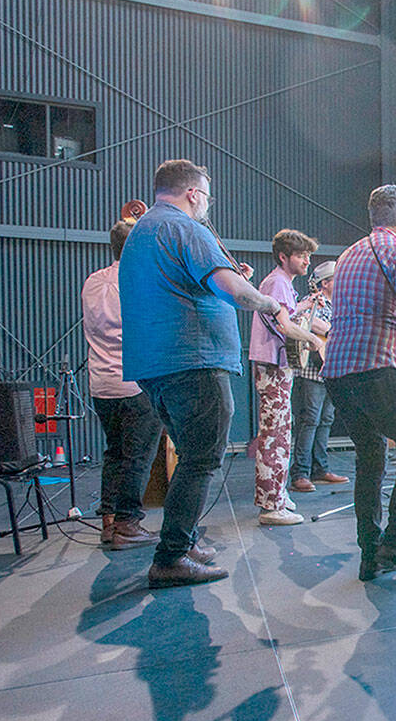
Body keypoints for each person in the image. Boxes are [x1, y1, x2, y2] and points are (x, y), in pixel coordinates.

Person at [121, 159, 297, 588]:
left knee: (190, 455)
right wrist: (273, 305)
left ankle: (184, 536)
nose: (206, 207)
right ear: (194, 195)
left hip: (156, 364)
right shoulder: (187, 228)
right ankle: (171, 556)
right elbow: (229, 288)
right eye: (206, 198)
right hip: (193, 361)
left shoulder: (142, 232)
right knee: (202, 459)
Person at [322, 184, 396, 582]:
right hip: (376, 364)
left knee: (370, 459)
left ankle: (370, 553)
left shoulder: (348, 255)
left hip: (339, 371)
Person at [82, 219, 163, 550]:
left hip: (100, 383)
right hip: (135, 383)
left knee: (114, 452)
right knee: (138, 457)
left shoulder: (92, 281)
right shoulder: (139, 281)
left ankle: (109, 522)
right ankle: (128, 523)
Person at [249, 229, 325, 525]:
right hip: (272, 365)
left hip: (278, 365)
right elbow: (285, 327)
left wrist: (305, 307)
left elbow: (288, 315)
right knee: (274, 435)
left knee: (280, 431)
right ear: (284, 257)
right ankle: (271, 505)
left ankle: (277, 494)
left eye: (308, 254)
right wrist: (314, 340)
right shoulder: (278, 282)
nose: (307, 260)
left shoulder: (282, 284)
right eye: (301, 255)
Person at [289, 260, 349, 493]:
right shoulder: (314, 302)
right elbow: (306, 320)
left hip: (332, 370)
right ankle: (300, 473)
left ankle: (320, 469)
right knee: (309, 420)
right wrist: (332, 330)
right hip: (312, 372)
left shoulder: (341, 305)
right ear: (325, 283)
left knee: (326, 420)